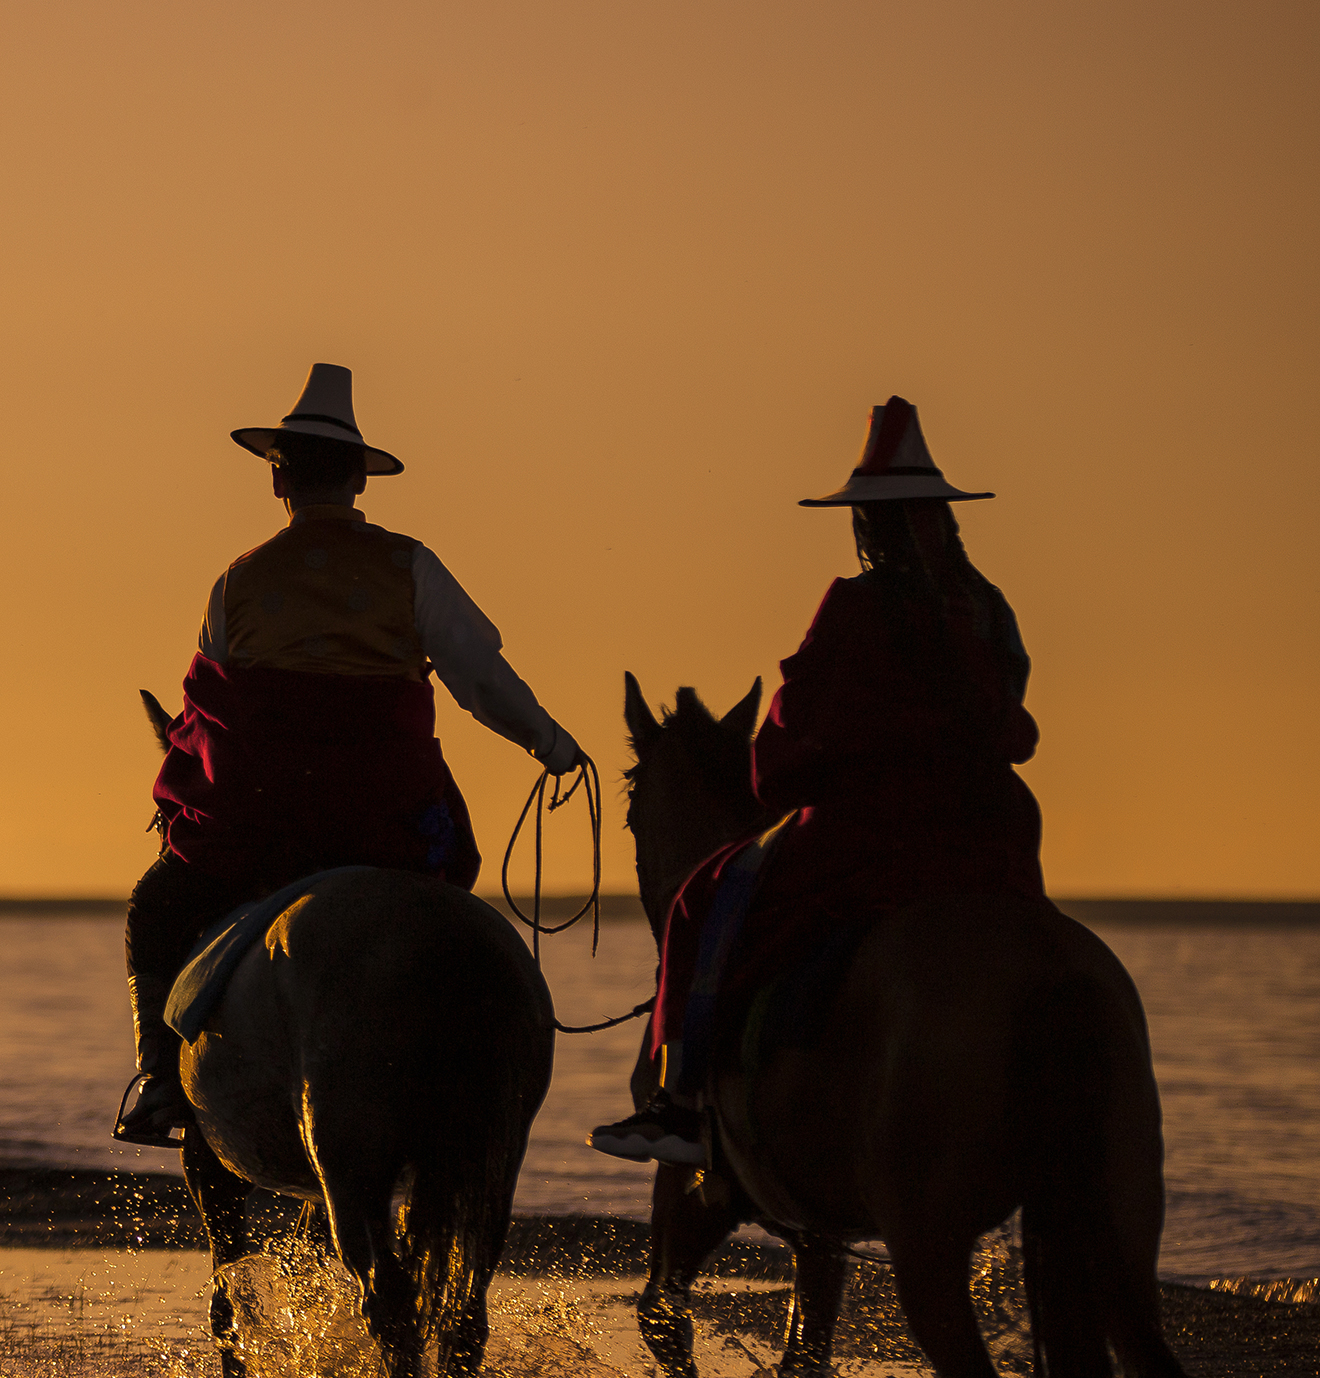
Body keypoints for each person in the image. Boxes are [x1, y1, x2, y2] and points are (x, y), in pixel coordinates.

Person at [113, 364, 589, 1146]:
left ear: (280, 482)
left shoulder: (237, 582)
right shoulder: (411, 567)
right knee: (456, 871)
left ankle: (161, 1079)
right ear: (359, 483)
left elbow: (207, 712)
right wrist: (550, 743)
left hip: (261, 822)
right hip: (387, 821)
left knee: (156, 907)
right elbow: (479, 675)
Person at [589, 397, 1041, 1164]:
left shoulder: (856, 605)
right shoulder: (991, 608)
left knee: (707, 898)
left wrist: (782, 776)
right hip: (993, 831)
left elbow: (786, 742)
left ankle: (681, 1101)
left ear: (870, 523)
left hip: (877, 831)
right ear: (943, 517)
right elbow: (1013, 707)